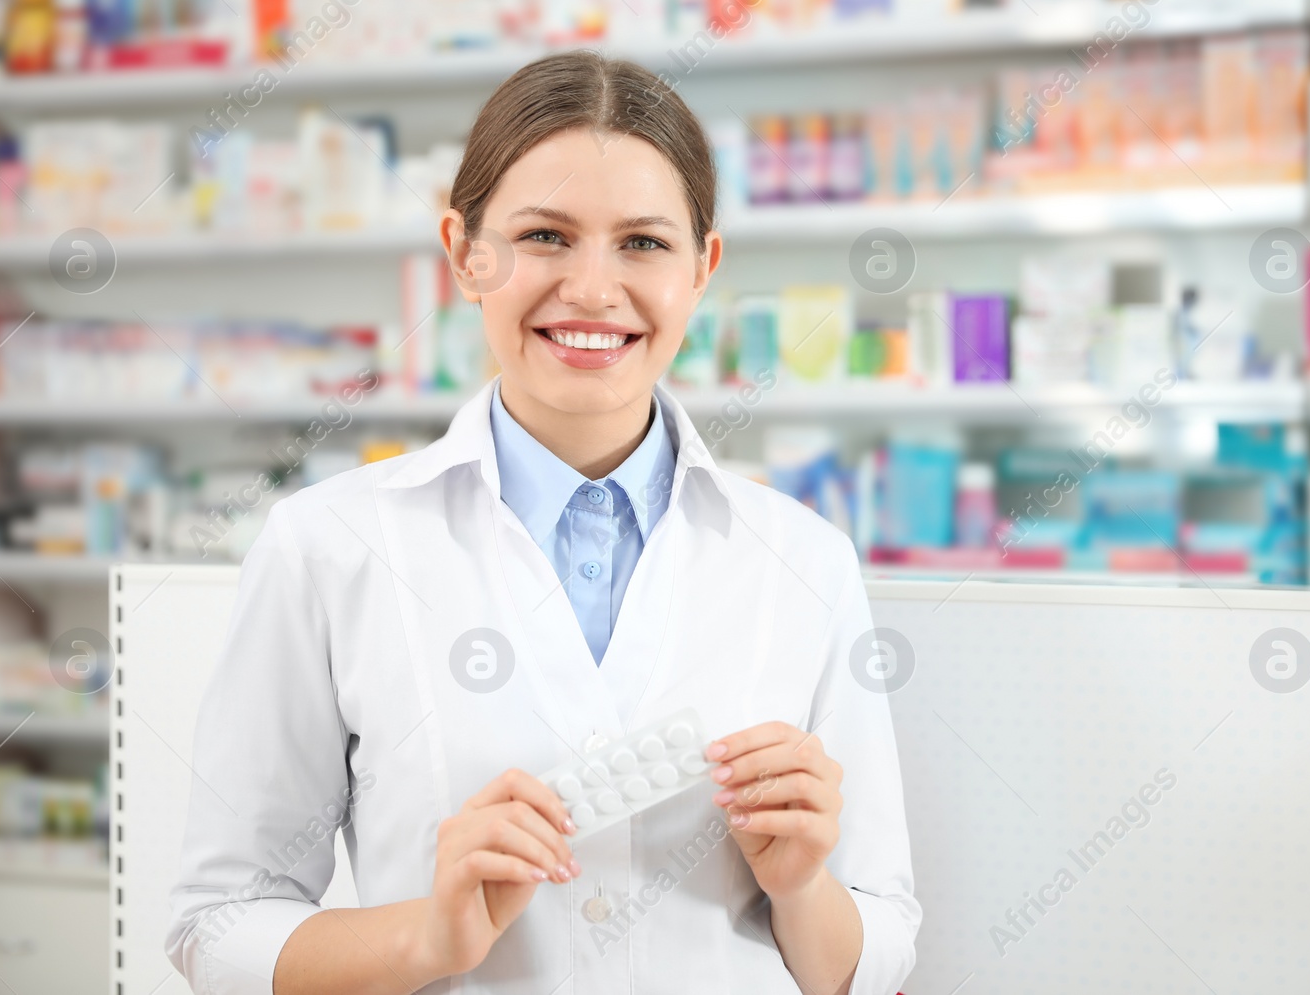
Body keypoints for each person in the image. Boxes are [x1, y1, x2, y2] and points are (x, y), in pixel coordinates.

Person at [166, 50, 919, 995]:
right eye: (545, 235)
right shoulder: (330, 547)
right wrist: (421, 941)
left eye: (643, 242)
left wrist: (803, 884)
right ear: (464, 253)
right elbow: (215, 924)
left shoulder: (805, 559)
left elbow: (880, 957)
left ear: (703, 267)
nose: (595, 290)